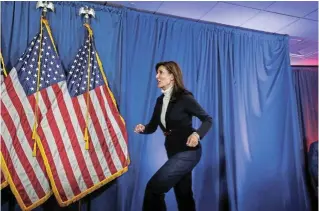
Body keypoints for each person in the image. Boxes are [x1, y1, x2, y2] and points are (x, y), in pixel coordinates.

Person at [134, 61, 213, 211]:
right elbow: (152, 126)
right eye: (156, 73)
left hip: (189, 151)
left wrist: (197, 135)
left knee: (154, 188)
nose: (157, 76)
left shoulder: (184, 98)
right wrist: (143, 128)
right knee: (183, 195)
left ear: (172, 76)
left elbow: (207, 120)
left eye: (161, 72)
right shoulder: (159, 101)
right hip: (172, 150)